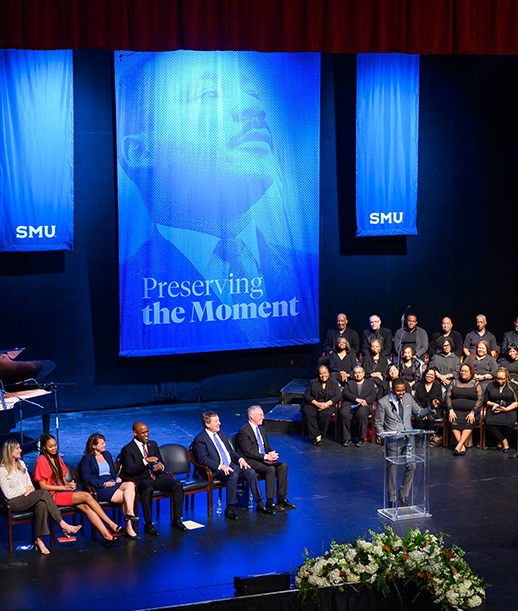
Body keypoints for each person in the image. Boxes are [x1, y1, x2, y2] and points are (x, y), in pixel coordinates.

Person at [116, 51, 319, 355]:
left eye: (252, 91)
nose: (253, 107)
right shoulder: (125, 299)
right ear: (141, 151)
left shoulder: (309, 274)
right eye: (208, 93)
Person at [0, 439, 83, 553]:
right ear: (9, 450)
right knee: (43, 492)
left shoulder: (21, 464)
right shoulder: (1, 470)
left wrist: (29, 489)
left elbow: (30, 485)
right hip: (13, 502)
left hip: (26, 498)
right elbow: (8, 494)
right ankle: (63, 524)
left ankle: (39, 540)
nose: (20, 450)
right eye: (17, 448)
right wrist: (24, 490)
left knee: (41, 504)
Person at [34, 434, 123, 546]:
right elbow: (43, 486)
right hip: (52, 495)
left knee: (86, 507)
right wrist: (63, 487)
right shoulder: (41, 461)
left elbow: (62, 480)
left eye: (55, 445)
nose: (54, 448)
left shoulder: (57, 458)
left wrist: (69, 485)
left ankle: (107, 536)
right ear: (44, 448)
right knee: (86, 496)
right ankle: (111, 524)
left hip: (63, 491)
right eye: (50, 446)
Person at [192, 411, 270, 518]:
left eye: (218, 420)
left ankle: (260, 504)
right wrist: (220, 466)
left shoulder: (221, 434)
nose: (219, 423)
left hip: (230, 465)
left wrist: (240, 459)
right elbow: (203, 459)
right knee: (233, 475)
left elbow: (230, 452)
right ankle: (229, 508)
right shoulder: (200, 439)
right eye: (216, 421)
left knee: (250, 472)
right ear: (207, 424)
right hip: (216, 470)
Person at [119, 422, 188, 534]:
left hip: (156, 475)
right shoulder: (127, 449)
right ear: (135, 433)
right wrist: (145, 461)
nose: (147, 435)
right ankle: (148, 524)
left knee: (177, 485)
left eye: (147, 431)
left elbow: (160, 461)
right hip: (141, 479)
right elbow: (129, 470)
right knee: (148, 489)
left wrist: (161, 466)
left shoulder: (153, 444)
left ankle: (176, 519)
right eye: (143, 433)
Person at [374, 378, 432, 507]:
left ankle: (403, 495)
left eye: (403, 390)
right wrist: (384, 438)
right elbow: (378, 424)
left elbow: (420, 412)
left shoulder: (408, 398)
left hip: (408, 439)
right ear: (392, 389)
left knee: (412, 466)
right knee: (392, 469)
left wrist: (431, 408)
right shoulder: (383, 403)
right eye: (398, 391)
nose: (401, 393)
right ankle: (392, 498)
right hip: (393, 440)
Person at [78, 434, 140, 537]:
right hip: (100, 487)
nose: (105, 445)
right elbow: (87, 478)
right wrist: (103, 484)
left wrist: (116, 477)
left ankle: (129, 512)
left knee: (130, 484)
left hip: (112, 482)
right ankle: (129, 528)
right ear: (94, 446)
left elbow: (112, 471)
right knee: (127, 497)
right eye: (102, 444)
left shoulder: (106, 454)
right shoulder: (87, 459)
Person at [235, 406, 294, 511]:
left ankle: (281, 497)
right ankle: (270, 501)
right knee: (270, 469)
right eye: (260, 415)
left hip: (262, 458)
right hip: (250, 460)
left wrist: (272, 453)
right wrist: (266, 456)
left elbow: (266, 445)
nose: (263, 417)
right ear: (252, 416)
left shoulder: (262, 429)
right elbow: (248, 452)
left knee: (282, 466)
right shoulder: (243, 432)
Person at [444, 363, 484, 455]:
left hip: (470, 412)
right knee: (453, 421)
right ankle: (461, 447)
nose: (463, 372)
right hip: (455, 411)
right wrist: (450, 410)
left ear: (471, 373)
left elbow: (480, 399)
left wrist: (473, 411)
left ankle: (459, 445)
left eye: (466, 371)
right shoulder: (454, 382)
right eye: (462, 371)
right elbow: (448, 397)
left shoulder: (476, 383)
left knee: (469, 422)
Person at [484, 368, 518, 454]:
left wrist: (506, 409)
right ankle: (503, 440)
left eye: (502, 379)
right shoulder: (491, 385)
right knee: (489, 421)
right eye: (497, 378)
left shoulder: (513, 386)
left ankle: (499, 441)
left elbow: (517, 402)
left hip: (509, 408)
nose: (499, 381)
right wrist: (494, 405)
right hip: (494, 407)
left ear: (507, 377)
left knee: (508, 423)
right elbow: (485, 400)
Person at [339, 365, 378, 446]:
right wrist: (356, 399)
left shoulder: (370, 384)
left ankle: (361, 438)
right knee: (344, 414)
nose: (358, 374)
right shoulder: (349, 383)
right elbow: (345, 393)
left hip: (364, 405)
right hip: (350, 403)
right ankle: (346, 438)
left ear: (363, 373)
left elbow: (373, 396)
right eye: (356, 373)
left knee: (362, 413)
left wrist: (365, 401)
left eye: (360, 372)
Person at [301, 365, 340, 445]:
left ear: (328, 373)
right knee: (308, 411)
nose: (323, 375)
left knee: (325, 414)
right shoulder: (313, 382)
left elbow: (338, 396)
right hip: (315, 403)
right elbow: (307, 395)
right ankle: (317, 436)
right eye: (321, 374)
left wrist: (326, 404)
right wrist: (317, 404)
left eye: (325, 373)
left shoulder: (334, 383)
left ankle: (320, 433)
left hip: (328, 404)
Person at [414, 367, 444, 437]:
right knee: (418, 418)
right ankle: (419, 439)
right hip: (421, 410)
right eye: (428, 374)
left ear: (434, 377)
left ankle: (428, 438)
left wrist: (435, 405)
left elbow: (439, 402)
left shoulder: (438, 386)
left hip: (433, 411)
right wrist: (423, 412)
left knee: (430, 419)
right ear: (425, 375)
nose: (430, 376)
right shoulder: (419, 386)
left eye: (432, 375)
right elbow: (416, 400)